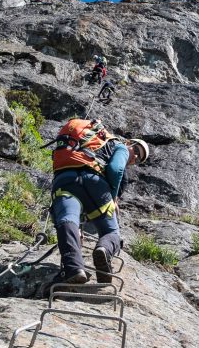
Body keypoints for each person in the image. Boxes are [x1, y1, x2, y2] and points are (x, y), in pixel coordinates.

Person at [49, 118, 149, 284]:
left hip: (64, 180)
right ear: (129, 142)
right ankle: (103, 250)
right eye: (137, 150)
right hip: (94, 183)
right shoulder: (120, 146)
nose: (136, 157)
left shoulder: (85, 144)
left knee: (67, 219)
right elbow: (115, 169)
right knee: (111, 232)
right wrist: (113, 198)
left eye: (139, 159)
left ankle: (74, 269)